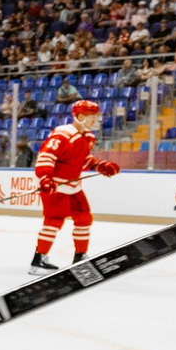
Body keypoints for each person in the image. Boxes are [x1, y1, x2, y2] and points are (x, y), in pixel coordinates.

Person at [31, 100, 119, 269]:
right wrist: (45, 179)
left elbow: (81, 160)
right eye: (91, 116)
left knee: (84, 217)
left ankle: (80, 256)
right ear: (79, 116)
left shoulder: (88, 137)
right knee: (54, 220)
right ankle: (38, 260)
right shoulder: (63, 134)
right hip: (55, 185)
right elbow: (46, 157)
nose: (95, 120)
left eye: (96, 116)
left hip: (73, 186)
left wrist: (99, 166)